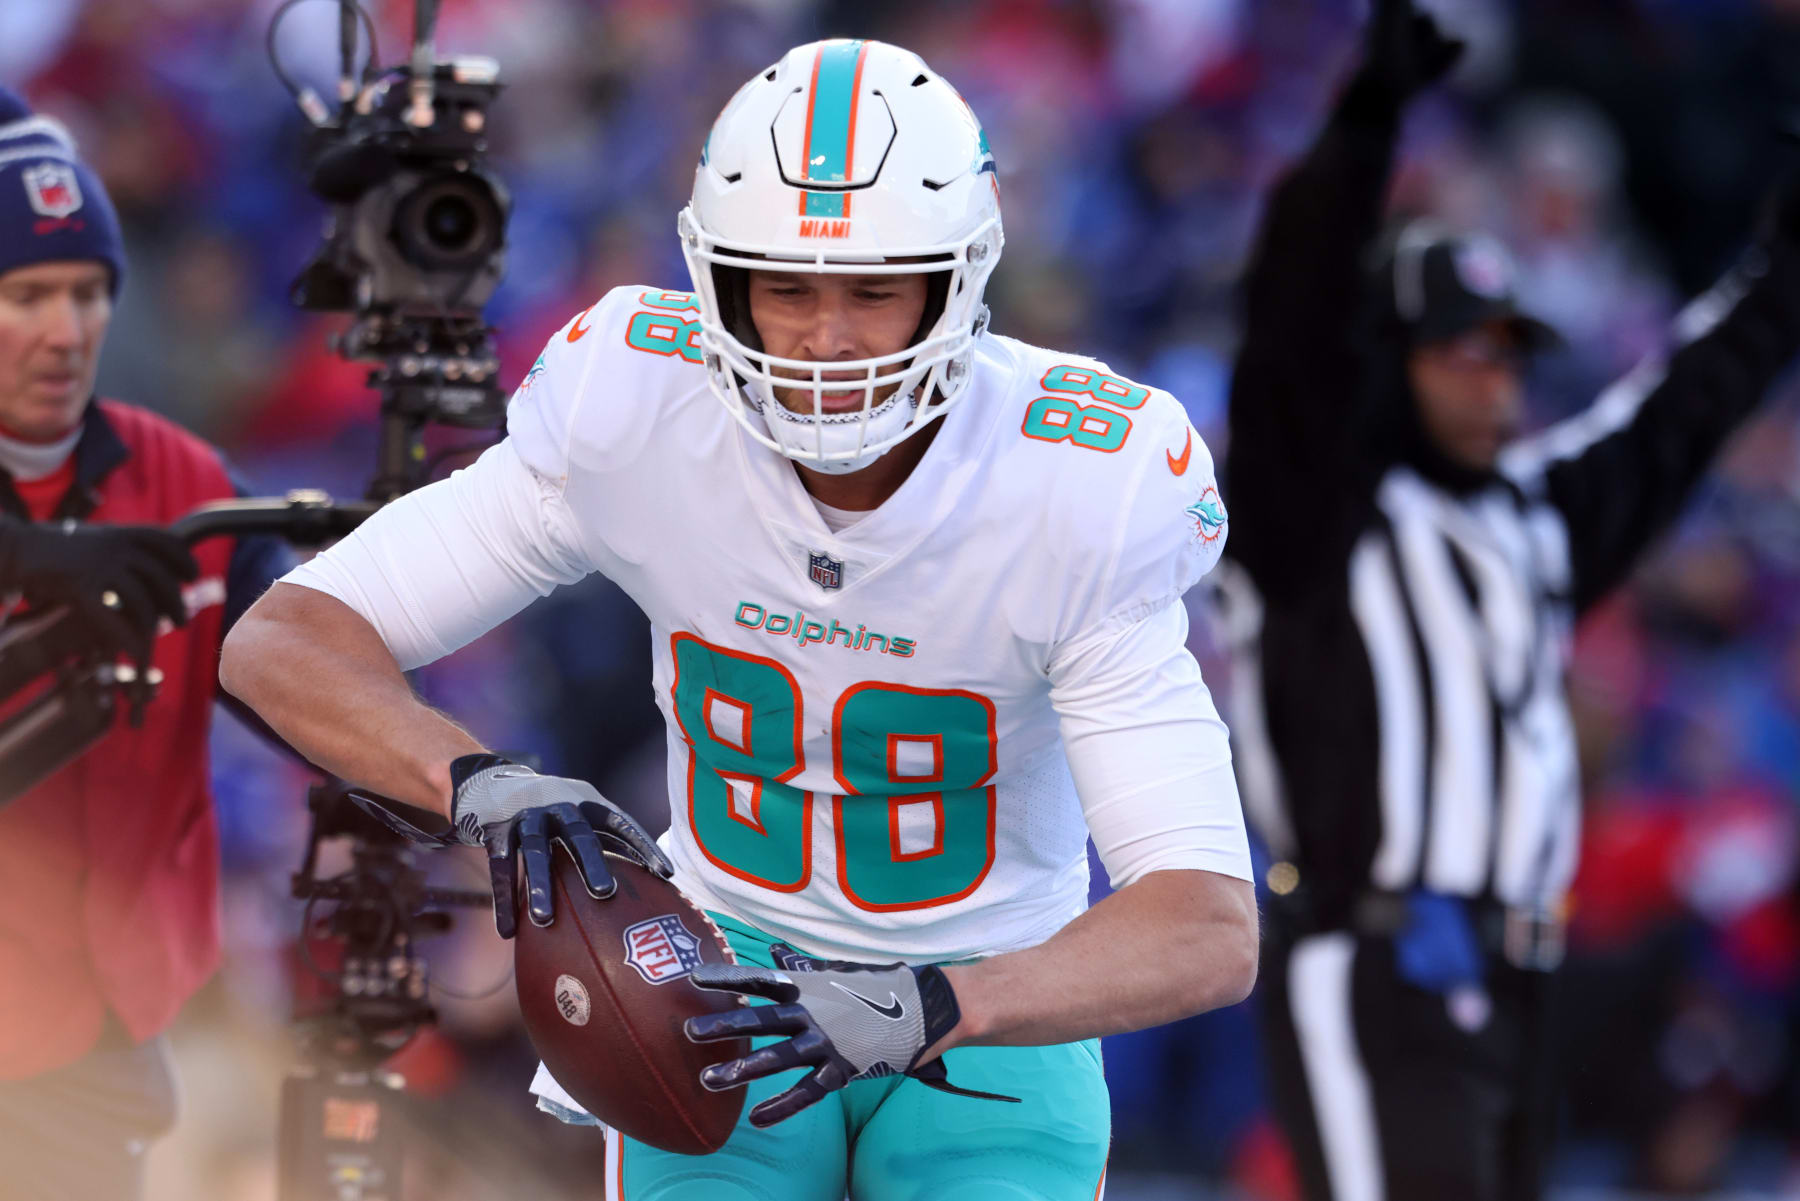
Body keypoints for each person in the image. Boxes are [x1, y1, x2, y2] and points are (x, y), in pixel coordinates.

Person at [220, 37, 1259, 1201]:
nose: (825, 339)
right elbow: (285, 639)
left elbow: (1206, 921)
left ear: (958, 278)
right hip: (718, 988)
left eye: (874, 288)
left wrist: (942, 1002)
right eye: (787, 286)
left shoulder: (1078, 484)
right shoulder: (638, 412)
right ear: (717, 280)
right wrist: (476, 781)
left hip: (990, 1000)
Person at [1214, 3, 1800, 1200]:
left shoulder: (1529, 517)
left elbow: (1684, 408)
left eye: (1507, 353)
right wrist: (1364, 128)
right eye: (1460, 352)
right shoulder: (1315, 516)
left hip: (1524, 966)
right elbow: (1288, 327)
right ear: (1390, 357)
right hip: (1372, 955)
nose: (1497, 382)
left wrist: (1789, 266)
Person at [0, 88, 293, 1199]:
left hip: (94, 1035)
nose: (66, 329)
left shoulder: (175, 475)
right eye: (26, 293)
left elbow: (293, 652)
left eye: (86, 293)